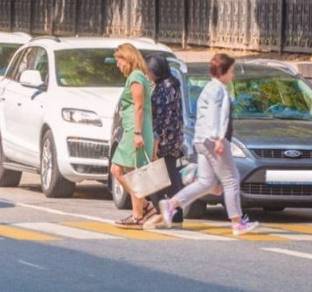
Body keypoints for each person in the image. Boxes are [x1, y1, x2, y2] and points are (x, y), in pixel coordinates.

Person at [160, 53, 259, 235]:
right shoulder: (218, 90)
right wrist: (219, 138)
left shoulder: (208, 88)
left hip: (201, 139)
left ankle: (171, 204)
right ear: (223, 71)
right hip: (213, 139)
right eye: (231, 71)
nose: (233, 75)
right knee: (231, 179)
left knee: (206, 182)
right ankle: (237, 222)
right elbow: (216, 115)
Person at [110, 43, 155, 229]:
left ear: (128, 58)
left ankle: (141, 211)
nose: (117, 64)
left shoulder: (136, 77)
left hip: (136, 131)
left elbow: (138, 106)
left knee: (118, 170)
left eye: (119, 60)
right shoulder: (136, 76)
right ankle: (142, 210)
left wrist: (137, 133)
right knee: (131, 172)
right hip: (133, 130)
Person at [142, 55, 185, 229]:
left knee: (157, 179)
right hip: (173, 139)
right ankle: (173, 216)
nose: (147, 74)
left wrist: (157, 142)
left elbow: (163, 118)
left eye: (148, 71)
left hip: (164, 141)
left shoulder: (164, 89)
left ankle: (165, 214)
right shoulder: (170, 84)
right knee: (170, 177)